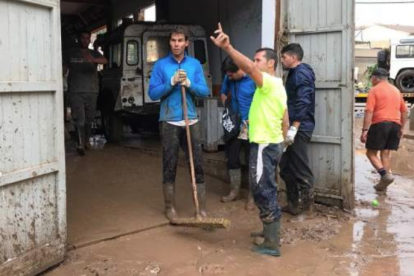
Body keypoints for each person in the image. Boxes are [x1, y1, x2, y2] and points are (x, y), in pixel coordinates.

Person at [211, 23, 289, 257]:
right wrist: (282, 142)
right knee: (266, 187)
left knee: (263, 189)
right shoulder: (275, 86)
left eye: (258, 60)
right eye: (254, 60)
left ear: (270, 63)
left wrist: (229, 47)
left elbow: (248, 69)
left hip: (265, 144)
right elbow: (285, 117)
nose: (254, 64)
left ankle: (272, 244)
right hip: (269, 142)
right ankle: (269, 232)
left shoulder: (268, 83)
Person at [148, 27, 210, 222]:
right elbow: (153, 93)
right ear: (170, 43)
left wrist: (190, 84)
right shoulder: (160, 66)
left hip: (190, 120)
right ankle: (170, 207)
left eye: (180, 40)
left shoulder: (194, 65)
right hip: (169, 120)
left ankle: (201, 208)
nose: (176, 44)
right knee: (170, 162)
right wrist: (172, 82)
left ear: (186, 43)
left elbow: (204, 91)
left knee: (197, 162)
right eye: (173, 40)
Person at [279, 43, 316, 216]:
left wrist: (294, 127)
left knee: (301, 168)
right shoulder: (293, 73)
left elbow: (303, 101)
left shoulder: (301, 73)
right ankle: (293, 204)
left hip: (299, 128)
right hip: (290, 126)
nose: (282, 59)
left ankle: (308, 210)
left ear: (293, 57)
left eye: (284, 57)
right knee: (286, 166)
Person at [360, 68, 408, 192]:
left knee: (370, 153)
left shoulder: (374, 90)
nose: (371, 81)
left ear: (375, 78)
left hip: (380, 124)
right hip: (395, 124)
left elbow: (369, 111)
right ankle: (384, 185)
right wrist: (402, 128)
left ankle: (384, 175)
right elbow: (404, 111)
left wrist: (365, 130)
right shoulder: (397, 90)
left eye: (371, 78)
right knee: (385, 154)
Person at [219, 56, 256, 210]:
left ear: (240, 69)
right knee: (232, 158)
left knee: (252, 160)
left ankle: (252, 197)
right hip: (234, 126)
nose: (229, 77)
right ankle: (234, 191)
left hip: (250, 125)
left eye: (231, 75)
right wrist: (227, 109)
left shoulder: (255, 79)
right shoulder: (229, 78)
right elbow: (223, 92)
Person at [63, 30, 108, 156]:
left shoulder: (94, 53)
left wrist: (93, 59)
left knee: (89, 119)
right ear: (78, 39)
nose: (85, 40)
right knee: (80, 119)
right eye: (83, 37)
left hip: (92, 91)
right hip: (75, 91)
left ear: (89, 40)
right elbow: (64, 69)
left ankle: (86, 139)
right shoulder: (70, 53)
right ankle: (80, 144)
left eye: (87, 38)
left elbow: (105, 61)